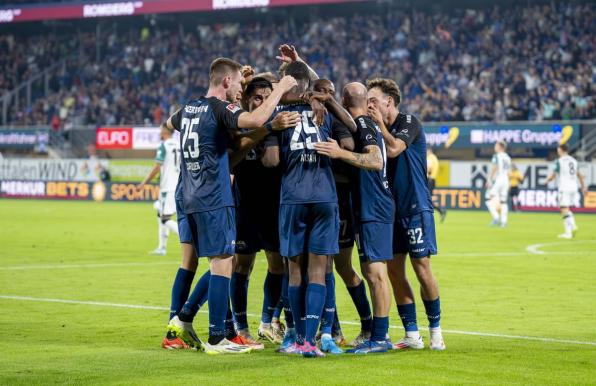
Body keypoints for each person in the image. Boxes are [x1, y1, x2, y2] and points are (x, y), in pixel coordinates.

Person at [164, 57, 298, 354]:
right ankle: (215, 337)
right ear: (226, 81)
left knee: (209, 262)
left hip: (190, 193)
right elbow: (253, 121)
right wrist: (282, 88)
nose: (241, 87)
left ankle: (183, 324)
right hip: (214, 195)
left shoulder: (189, 107)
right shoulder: (221, 108)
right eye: (238, 82)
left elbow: (168, 123)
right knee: (224, 262)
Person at [267, 61, 345, 358]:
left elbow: (272, 162)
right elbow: (349, 128)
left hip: (294, 197)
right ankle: (312, 341)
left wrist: (270, 138)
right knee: (319, 271)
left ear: (287, 82)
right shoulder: (322, 109)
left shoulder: (279, 115)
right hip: (325, 196)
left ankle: (298, 338)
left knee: (295, 271)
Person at [314, 82, 394, 354]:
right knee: (368, 271)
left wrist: (339, 153)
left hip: (376, 207)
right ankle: (373, 333)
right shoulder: (360, 123)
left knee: (376, 274)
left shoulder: (366, 126)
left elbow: (375, 161)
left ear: (346, 102)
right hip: (367, 208)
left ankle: (380, 337)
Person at [367, 78, 445, 351]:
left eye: (373, 100)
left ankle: (436, 331)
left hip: (415, 207)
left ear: (389, 100)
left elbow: (395, 148)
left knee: (422, 269)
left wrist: (379, 125)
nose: (370, 105)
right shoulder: (376, 128)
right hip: (391, 211)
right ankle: (412, 334)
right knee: (394, 272)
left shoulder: (409, 122)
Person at [230, 76, 300, 346]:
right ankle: (241, 326)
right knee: (241, 266)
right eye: (257, 98)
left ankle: (266, 321)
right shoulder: (238, 125)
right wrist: (266, 128)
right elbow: (230, 160)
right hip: (244, 209)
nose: (262, 102)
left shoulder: (280, 125)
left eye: (266, 97)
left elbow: (274, 162)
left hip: (274, 208)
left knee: (277, 266)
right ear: (247, 99)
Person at [137, 124, 181, 256]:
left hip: (167, 188)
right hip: (177, 185)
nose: (159, 132)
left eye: (161, 130)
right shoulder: (179, 145)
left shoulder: (163, 146)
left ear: (165, 132)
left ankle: (188, 237)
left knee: (165, 219)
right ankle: (162, 247)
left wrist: (143, 183)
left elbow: (157, 167)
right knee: (159, 212)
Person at [546, 144, 588, 239]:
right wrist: (583, 187)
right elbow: (580, 175)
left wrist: (546, 180)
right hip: (574, 187)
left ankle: (573, 226)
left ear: (561, 150)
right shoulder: (574, 161)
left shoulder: (559, 161)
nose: (557, 151)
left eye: (558, 149)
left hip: (564, 187)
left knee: (564, 208)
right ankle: (567, 233)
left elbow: (553, 176)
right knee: (564, 210)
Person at [485, 141, 511, 227]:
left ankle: (496, 217)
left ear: (500, 147)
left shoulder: (497, 156)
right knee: (503, 201)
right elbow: (509, 171)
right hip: (506, 180)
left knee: (488, 198)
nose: (494, 147)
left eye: (496, 145)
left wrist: (489, 179)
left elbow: (494, 168)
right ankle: (504, 222)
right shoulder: (508, 157)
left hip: (499, 179)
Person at [426, 147, 446, 222]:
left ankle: (439, 211)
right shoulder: (434, 158)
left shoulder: (430, 158)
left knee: (426, 199)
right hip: (432, 180)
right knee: (427, 199)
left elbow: (429, 168)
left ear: (429, 150)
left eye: (427, 150)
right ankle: (440, 211)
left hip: (430, 180)